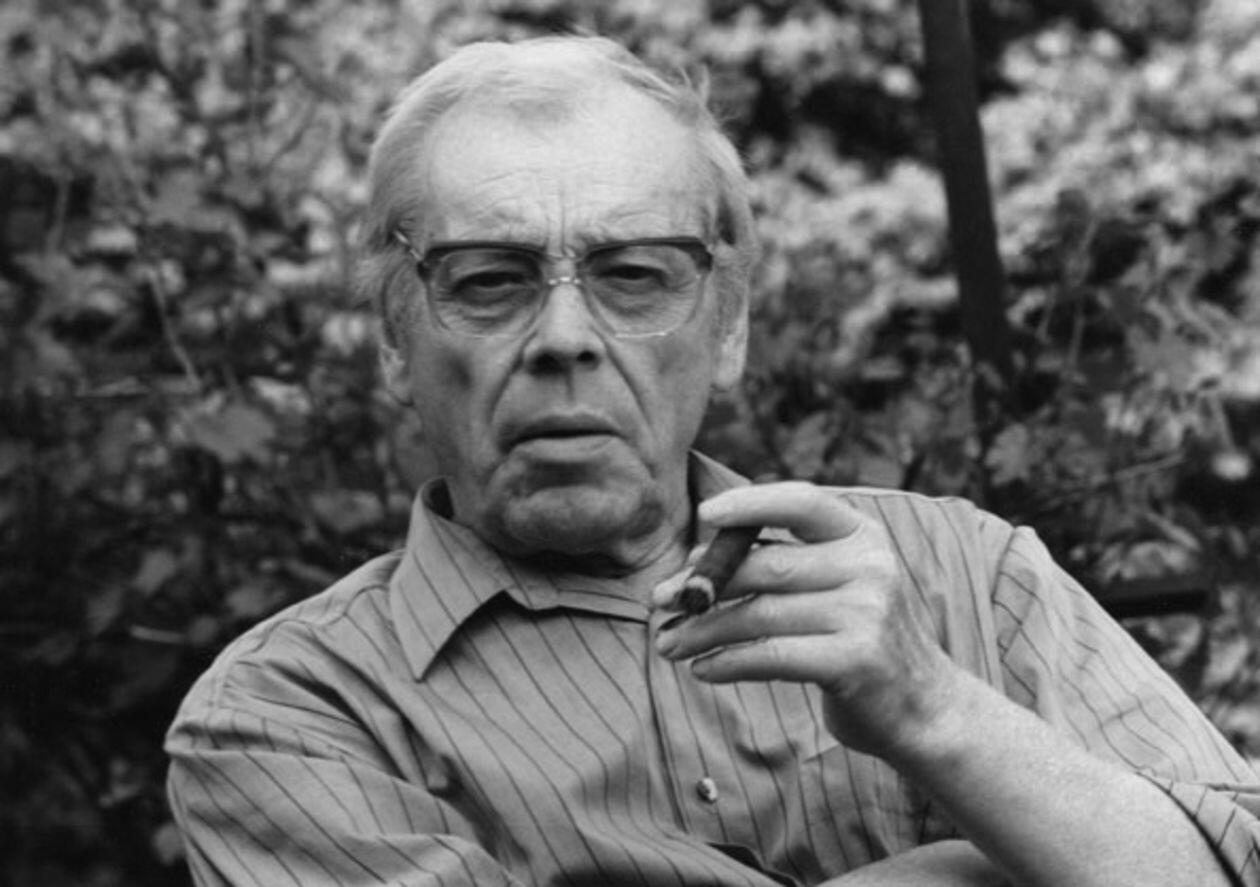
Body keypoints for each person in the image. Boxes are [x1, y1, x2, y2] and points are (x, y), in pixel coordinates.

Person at [165, 35, 1260, 887]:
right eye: (489, 279)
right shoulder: (288, 716)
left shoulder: (969, 572)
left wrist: (932, 707)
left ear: (727, 327)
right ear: (395, 339)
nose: (563, 337)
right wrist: (979, 868)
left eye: (634, 274)